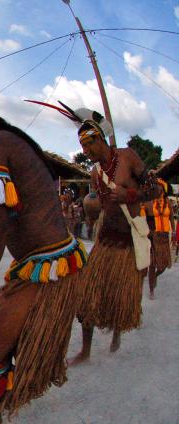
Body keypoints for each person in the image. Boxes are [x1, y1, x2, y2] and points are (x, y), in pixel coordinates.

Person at [0, 102, 87, 423]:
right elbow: (7, 210)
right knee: (0, 321)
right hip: (46, 262)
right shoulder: (12, 143)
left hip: (48, 266)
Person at [30, 102, 163, 363]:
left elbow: (156, 189)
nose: (86, 151)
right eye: (82, 147)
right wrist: (91, 209)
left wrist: (131, 194)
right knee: (86, 298)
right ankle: (86, 350)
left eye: (89, 145)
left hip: (128, 243)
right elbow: (100, 205)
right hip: (104, 242)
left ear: (100, 139)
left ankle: (116, 334)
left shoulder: (128, 157)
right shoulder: (94, 173)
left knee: (118, 299)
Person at [145, 180, 174, 299]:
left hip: (164, 236)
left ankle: (156, 276)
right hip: (152, 236)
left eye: (161, 189)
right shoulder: (148, 203)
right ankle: (151, 289)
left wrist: (175, 232)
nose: (159, 191)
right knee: (152, 264)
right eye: (157, 189)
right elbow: (142, 219)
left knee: (164, 264)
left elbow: (171, 218)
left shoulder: (168, 203)